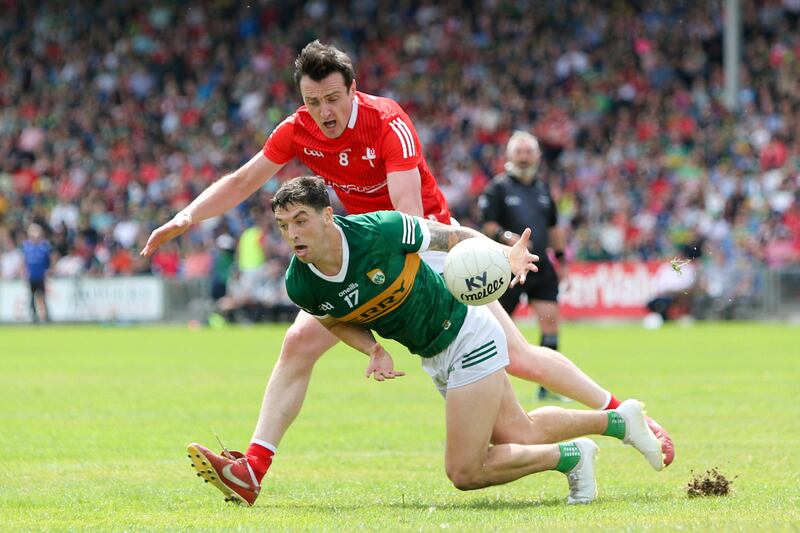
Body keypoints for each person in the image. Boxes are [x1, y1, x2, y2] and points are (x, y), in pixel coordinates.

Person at [141, 40, 673, 505]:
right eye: (312, 101)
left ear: (353, 90)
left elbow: (410, 217)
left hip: (431, 243)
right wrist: (186, 217)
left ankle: (627, 416)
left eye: (332, 98)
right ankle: (254, 469)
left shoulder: (386, 121)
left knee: (519, 358)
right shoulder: (298, 130)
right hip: (368, 246)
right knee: (299, 343)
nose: (324, 112)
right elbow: (242, 180)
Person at [188, 176, 665, 505]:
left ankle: (572, 455)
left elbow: (452, 237)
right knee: (520, 433)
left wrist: (504, 256)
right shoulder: (300, 282)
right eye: (283, 226)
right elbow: (334, 321)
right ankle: (617, 422)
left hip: (466, 333)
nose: (292, 234)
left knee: (465, 471)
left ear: (328, 216)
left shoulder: (381, 230)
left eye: (300, 221)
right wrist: (372, 348)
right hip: (435, 354)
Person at [479, 131, 568, 401]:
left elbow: (553, 227)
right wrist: (508, 238)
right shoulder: (498, 188)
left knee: (550, 322)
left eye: (529, 152)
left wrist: (561, 259)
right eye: (519, 152)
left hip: (540, 266)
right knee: (498, 328)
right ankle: (490, 383)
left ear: (537, 156)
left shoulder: (543, 189)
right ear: (509, 155)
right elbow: (488, 225)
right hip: (508, 266)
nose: (524, 157)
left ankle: (548, 387)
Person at [21, 223, 53, 323]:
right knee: (32, 297)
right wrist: (24, 273)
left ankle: (46, 315)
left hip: (41, 276)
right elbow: (24, 261)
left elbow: (48, 261)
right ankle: (34, 315)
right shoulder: (26, 247)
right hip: (31, 277)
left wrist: (48, 271)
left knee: (42, 296)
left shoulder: (44, 247)